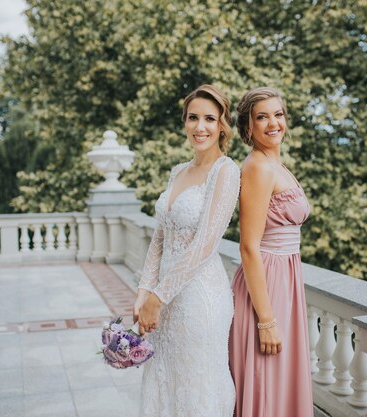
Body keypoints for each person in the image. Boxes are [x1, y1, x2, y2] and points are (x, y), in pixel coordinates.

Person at [135, 84, 239, 417]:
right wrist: (143, 290)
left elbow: (204, 245)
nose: (200, 127)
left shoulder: (226, 171)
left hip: (199, 300)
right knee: (164, 383)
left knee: (197, 390)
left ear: (222, 125)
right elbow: (160, 238)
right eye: (193, 118)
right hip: (162, 302)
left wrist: (157, 298)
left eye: (210, 118)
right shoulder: (178, 171)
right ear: (184, 122)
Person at [229, 87, 313, 417]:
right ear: (248, 127)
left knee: (280, 383)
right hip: (266, 284)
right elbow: (248, 246)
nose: (273, 122)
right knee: (265, 385)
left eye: (278, 114)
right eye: (262, 117)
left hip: (285, 280)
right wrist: (266, 320)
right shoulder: (257, 168)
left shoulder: (275, 164)